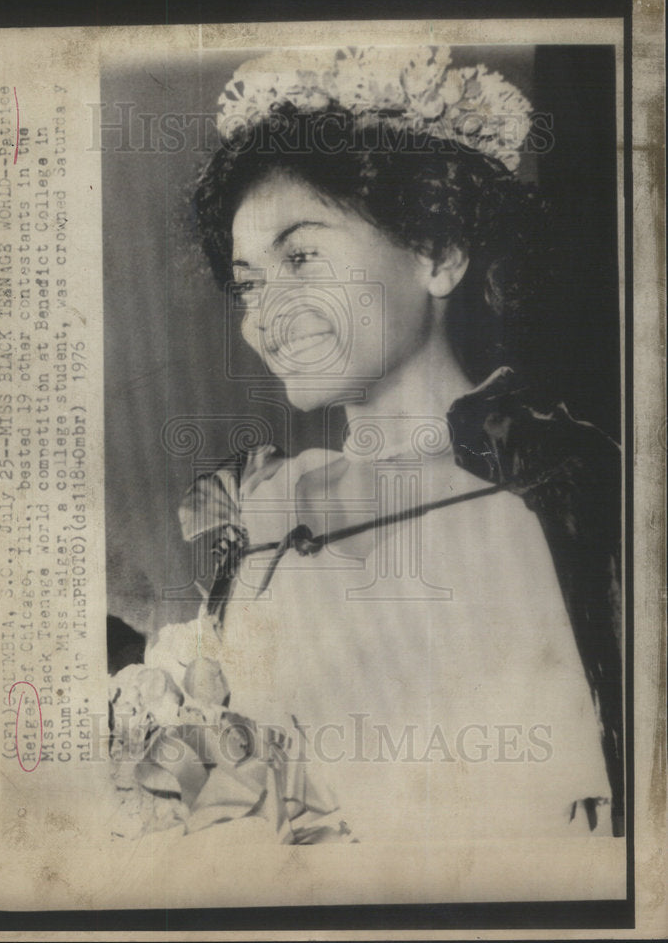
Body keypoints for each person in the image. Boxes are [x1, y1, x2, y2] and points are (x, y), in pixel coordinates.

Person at [111, 47, 623, 844]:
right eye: (248, 283)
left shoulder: (552, 490)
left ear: (438, 253)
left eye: (302, 257)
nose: (263, 317)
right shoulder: (266, 505)